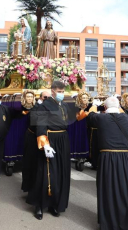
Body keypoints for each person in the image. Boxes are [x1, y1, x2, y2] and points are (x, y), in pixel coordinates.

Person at [86, 96, 128, 230]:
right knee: (126, 189)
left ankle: (110, 222)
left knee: (108, 189)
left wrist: (94, 104)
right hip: (125, 157)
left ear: (105, 108)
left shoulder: (101, 118)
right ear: (118, 107)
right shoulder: (125, 118)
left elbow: (90, 115)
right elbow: (121, 111)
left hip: (108, 157)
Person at [26, 81, 77, 220]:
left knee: (61, 172)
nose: (62, 93)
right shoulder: (44, 106)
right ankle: (39, 205)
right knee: (45, 173)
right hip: (50, 139)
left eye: (63, 91)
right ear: (53, 91)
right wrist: (45, 145)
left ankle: (55, 204)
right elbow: (40, 125)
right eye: (59, 91)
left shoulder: (65, 105)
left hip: (63, 140)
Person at [21, 90, 49, 193]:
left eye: (49, 98)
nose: (47, 99)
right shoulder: (35, 108)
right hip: (33, 137)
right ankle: (29, 187)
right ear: (41, 98)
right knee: (30, 163)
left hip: (44, 138)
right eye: (45, 97)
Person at [75, 91, 99, 169]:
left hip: (89, 128)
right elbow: (78, 118)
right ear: (80, 99)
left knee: (90, 143)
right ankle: (80, 158)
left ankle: (92, 160)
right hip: (80, 128)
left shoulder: (91, 106)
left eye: (86, 98)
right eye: (83, 98)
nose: (85, 99)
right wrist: (86, 113)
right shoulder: (77, 107)